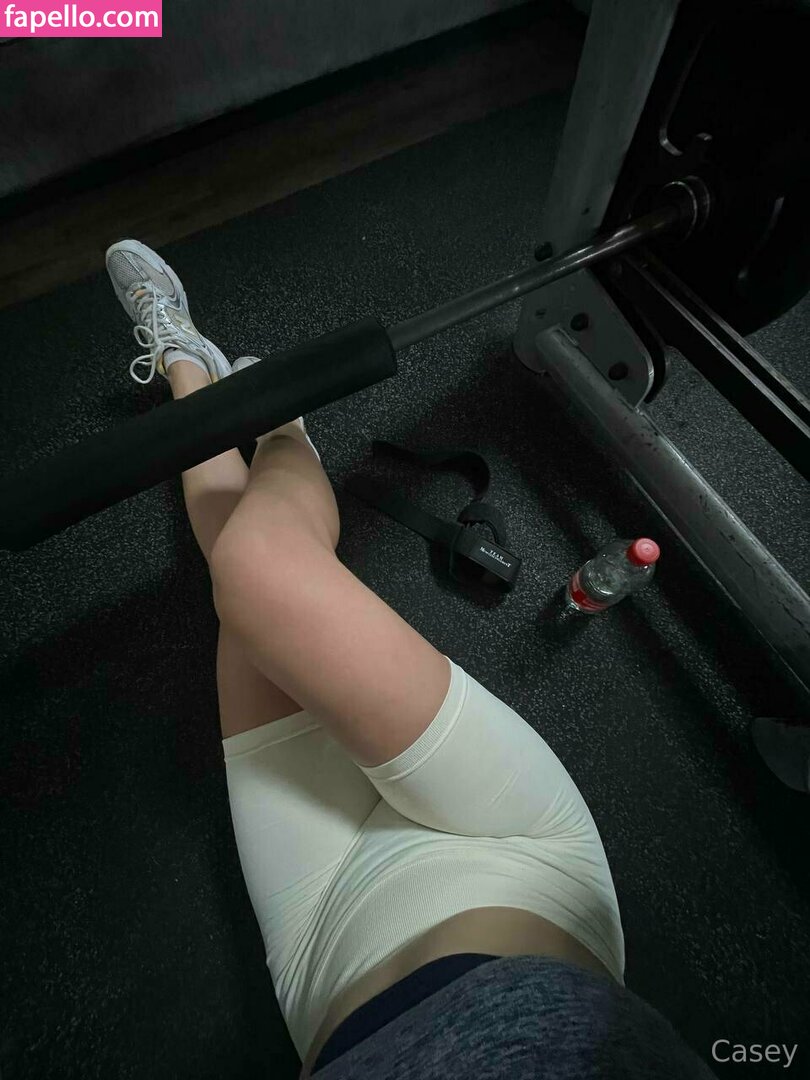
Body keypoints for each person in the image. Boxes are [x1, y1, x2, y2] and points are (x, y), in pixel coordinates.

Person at [105, 239, 716, 1078]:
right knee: (259, 574)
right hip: (507, 860)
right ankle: (282, 426)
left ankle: (188, 363)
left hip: (324, 944)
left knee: (235, 578)